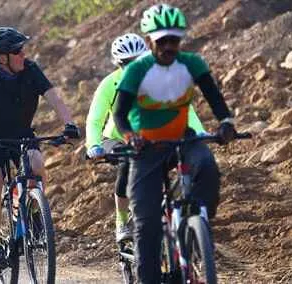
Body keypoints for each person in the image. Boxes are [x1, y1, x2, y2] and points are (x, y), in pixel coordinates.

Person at [112, 4, 237, 282]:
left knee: (207, 167)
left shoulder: (192, 64)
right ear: (149, 41)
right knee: (146, 226)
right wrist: (131, 136)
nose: (169, 47)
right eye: (162, 41)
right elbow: (119, 114)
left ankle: (195, 225)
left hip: (183, 138)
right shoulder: (137, 70)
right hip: (146, 147)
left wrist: (226, 122)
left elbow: (214, 97)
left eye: (174, 40)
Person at [0, 27, 80, 271]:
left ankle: (33, 215)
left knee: (37, 166)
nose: (24, 54)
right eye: (17, 51)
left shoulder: (31, 70)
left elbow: (54, 98)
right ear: (2, 58)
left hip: (21, 134)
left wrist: (69, 123)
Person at [83, 33, 207, 242]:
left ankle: (182, 212)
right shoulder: (109, 85)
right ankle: (123, 221)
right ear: (118, 64)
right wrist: (94, 145)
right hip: (118, 138)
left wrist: (199, 132)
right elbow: (95, 120)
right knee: (128, 165)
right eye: (127, 63)